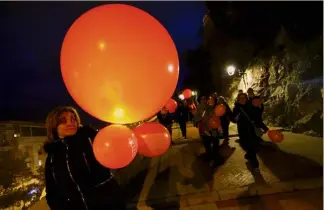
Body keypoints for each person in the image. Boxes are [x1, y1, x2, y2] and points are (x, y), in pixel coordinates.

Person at [44, 106, 126, 210]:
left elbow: (113, 156)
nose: (70, 123)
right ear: (54, 126)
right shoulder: (52, 157)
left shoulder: (91, 140)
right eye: (63, 121)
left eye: (73, 119)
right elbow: (52, 192)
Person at [232, 93, 260, 171]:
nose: (242, 100)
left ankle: (255, 165)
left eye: (244, 98)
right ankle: (248, 155)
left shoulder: (250, 106)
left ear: (246, 98)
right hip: (242, 130)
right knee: (246, 145)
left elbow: (256, 116)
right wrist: (237, 117)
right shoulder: (236, 108)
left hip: (251, 130)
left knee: (252, 147)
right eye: (240, 98)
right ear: (238, 99)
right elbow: (234, 119)